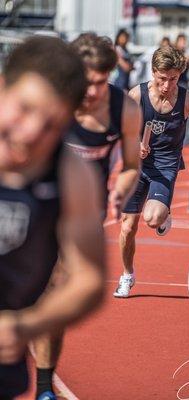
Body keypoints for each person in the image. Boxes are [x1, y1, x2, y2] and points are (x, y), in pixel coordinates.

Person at [33, 33, 142, 399]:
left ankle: (45, 388)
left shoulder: (124, 109)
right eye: (86, 80)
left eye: (100, 81)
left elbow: (130, 165)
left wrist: (122, 187)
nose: (92, 91)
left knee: (55, 293)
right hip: (35, 197)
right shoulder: (49, 96)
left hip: (84, 208)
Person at [0, 36, 106, 400]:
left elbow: (89, 278)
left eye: (50, 125)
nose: (30, 133)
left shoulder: (70, 173)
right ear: (2, 89)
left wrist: (27, 326)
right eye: (24, 108)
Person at [114, 45, 189, 298]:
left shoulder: (187, 100)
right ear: (153, 73)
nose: (167, 86)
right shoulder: (136, 95)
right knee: (128, 227)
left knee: (153, 219)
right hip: (137, 165)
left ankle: (164, 213)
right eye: (162, 79)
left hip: (165, 165)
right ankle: (127, 275)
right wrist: (133, 144)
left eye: (173, 79)